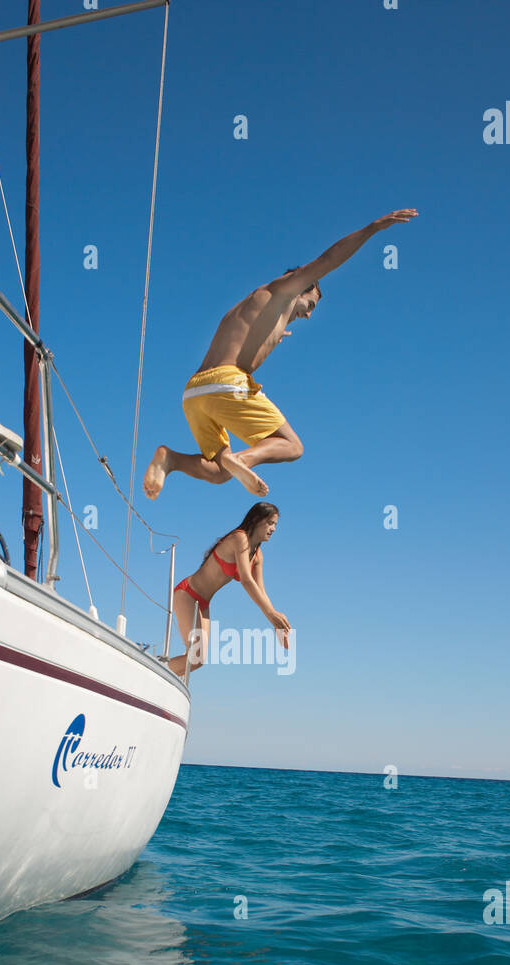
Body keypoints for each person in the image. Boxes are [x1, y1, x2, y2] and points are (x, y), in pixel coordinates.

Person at [144, 209, 418, 501]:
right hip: (226, 384)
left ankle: (169, 459)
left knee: (220, 472)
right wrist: (372, 228)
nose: (309, 315)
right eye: (311, 304)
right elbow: (329, 260)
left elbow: (251, 335)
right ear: (300, 286)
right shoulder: (282, 290)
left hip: (194, 393)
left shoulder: (255, 309)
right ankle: (244, 461)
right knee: (292, 446)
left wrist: (277, 335)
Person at [166, 502, 289, 678]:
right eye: (270, 522)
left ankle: (160, 678)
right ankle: (152, 670)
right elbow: (246, 580)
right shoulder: (240, 539)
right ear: (256, 520)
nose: (274, 528)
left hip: (203, 603)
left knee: (197, 660)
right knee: (195, 657)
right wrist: (271, 614)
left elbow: (261, 590)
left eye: (275, 524)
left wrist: (276, 624)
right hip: (187, 593)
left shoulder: (258, 555)